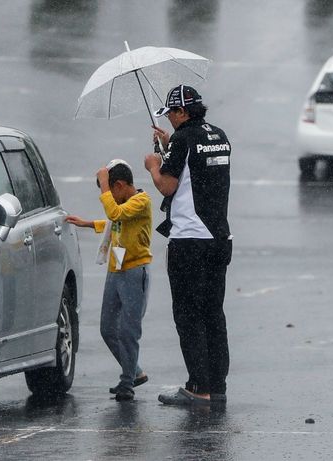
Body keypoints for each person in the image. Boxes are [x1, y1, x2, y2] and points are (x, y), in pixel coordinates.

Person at [144, 85, 232, 406]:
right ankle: (217, 386)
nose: (169, 118)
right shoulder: (219, 135)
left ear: (182, 112)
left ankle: (198, 387)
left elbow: (168, 185)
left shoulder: (183, 140)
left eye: (171, 113)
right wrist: (171, 146)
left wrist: (155, 163)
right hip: (219, 239)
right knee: (213, 313)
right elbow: (199, 170)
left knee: (188, 314)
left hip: (190, 241)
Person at [66, 159, 152, 401]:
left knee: (128, 331)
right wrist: (87, 223)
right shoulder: (125, 204)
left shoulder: (141, 201)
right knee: (108, 329)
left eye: (109, 189)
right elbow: (115, 221)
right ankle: (134, 372)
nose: (107, 195)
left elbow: (115, 213)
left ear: (121, 185)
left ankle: (127, 383)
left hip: (135, 271)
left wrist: (104, 183)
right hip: (116, 270)